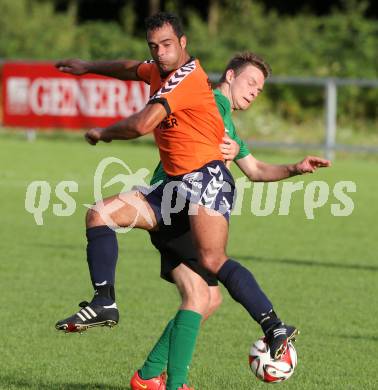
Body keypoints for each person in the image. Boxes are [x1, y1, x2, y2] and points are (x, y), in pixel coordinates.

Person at [54, 13, 330, 390]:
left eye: (260, 89)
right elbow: (134, 80)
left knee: (202, 296)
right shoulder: (206, 93)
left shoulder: (220, 114)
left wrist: (295, 168)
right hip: (180, 194)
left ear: (182, 42)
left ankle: (151, 375)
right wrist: (89, 68)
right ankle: (127, 324)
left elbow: (256, 169)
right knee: (199, 286)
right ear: (230, 76)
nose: (254, 91)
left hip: (181, 196)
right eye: (250, 82)